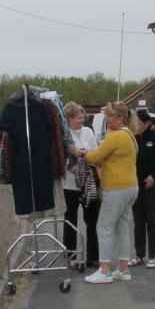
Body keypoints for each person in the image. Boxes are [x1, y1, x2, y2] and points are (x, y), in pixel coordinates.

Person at [83, 101, 139, 284]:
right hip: (130, 186)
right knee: (122, 228)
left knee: (104, 227)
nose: (107, 119)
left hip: (116, 187)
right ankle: (123, 268)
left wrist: (78, 150)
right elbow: (110, 159)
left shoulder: (116, 136)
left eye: (110, 116)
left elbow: (94, 156)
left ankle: (105, 270)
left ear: (120, 118)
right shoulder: (129, 134)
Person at [63, 101, 100, 270]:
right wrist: (72, 166)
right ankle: (70, 257)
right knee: (70, 220)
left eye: (83, 117)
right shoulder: (63, 135)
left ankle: (93, 257)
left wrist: (85, 160)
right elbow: (61, 159)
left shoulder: (88, 132)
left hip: (88, 183)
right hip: (69, 185)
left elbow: (95, 153)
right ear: (69, 118)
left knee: (92, 220)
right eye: (79, 117)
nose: (82, 120)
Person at [132, 110, 155, 268]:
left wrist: (154, 176)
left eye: (139, 123)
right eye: (135, 123)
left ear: (147, 124)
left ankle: (153, 255)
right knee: (138, 220)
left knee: (152, 219)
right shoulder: (133, 138)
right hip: (136, 184)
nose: (136, 126)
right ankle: (139, 254)